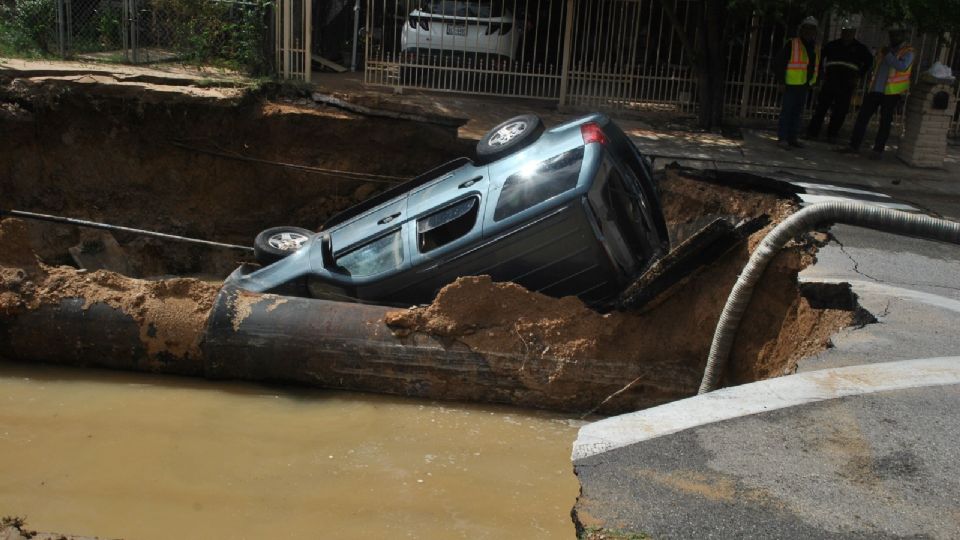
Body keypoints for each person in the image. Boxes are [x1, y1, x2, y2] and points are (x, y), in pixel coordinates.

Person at [839, 24, 914, 159]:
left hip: (891, 93)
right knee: (862, 118)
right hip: (875, 90)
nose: (893, 37)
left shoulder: (908, 51)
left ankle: (877, 151)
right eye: (891, 34)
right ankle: (853, 146)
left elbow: (902, 67)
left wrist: (888, 55)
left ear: (903, 35)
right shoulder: (886, 49)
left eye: (896, 34)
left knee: (885, 122)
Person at [805, 18, 873, 143]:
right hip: (831, 81)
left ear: (854, 32)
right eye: (845, 31)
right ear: (842, 32)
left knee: (840, 111)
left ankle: (832, 134)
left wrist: (859, 75)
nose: (847, 34)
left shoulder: (860, 48)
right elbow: (819, 59)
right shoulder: (832, 45)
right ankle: (812, 132)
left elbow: (869, 63)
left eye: (850, 32)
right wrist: (820, 74)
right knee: (821, 108)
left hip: (847, 84)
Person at [776, 16, 820, 149]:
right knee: (787, 112)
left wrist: (814, 81)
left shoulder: (814, 47)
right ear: (802, 29)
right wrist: (782, 82)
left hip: (804, 85)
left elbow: (814, 66)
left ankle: (792, 138)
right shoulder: (792, 44)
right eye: (807, 28)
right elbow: (780, 63)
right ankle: (783, 138)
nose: (809, 31)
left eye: (812, 29)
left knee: (797, 113)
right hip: (791, 84)